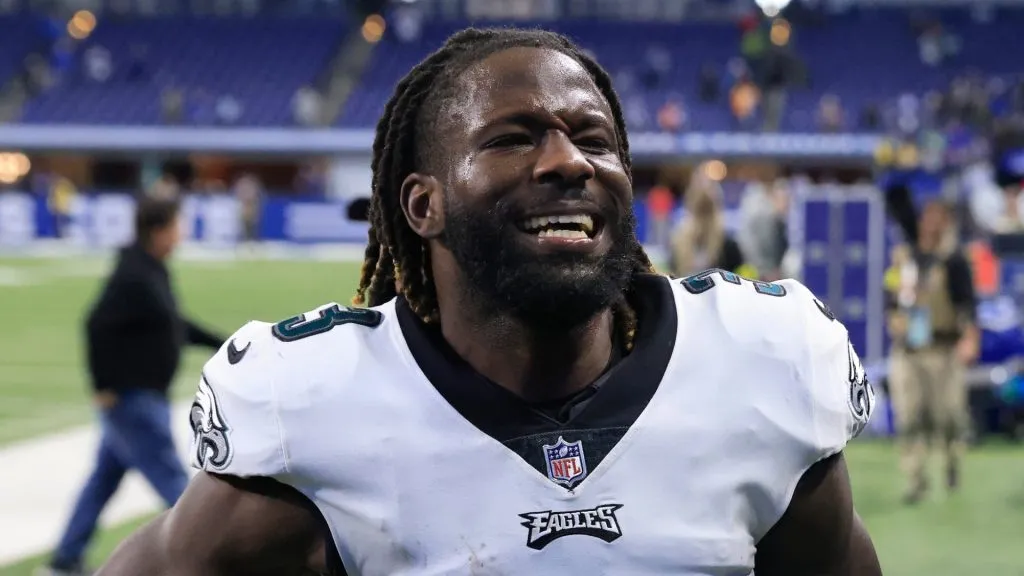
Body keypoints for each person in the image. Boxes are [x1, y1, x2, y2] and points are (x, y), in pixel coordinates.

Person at [97, 28, 880, 575]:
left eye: (594, 138)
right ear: (421, 205)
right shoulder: (313, 410)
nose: (569, 161)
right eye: (513, 138)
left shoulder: (760, 365)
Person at [41, 197, 224, 576]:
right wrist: (103, 384)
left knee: (102, 481)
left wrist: (226, 343)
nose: (182, 233)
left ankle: (64, 560)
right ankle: (212, 561)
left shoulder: (150, 269)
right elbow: (95, 325)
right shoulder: (133, 274)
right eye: (178, 225)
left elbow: (174, 325)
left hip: (139, 397)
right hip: (132, 399)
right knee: (179, 488)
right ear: (159, 230)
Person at [884, 200, 978, 504]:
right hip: (909, 349)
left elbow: (967, 304)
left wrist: (969, 339)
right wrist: (893, 318)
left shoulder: (953, 260)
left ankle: (951, 463)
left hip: (943, 347)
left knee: (948, 415)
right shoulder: (905, 258)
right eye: (929, 217)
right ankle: (915, 479)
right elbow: (892, 297)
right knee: (909, 415)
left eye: (939, 218)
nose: (932, 224)